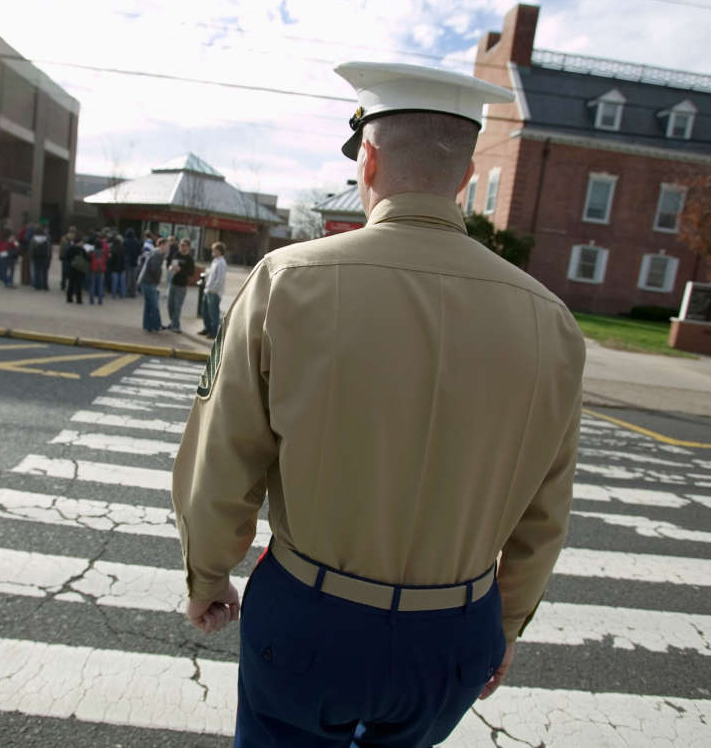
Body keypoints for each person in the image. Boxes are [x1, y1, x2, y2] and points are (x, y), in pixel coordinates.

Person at [170, 61, 585, 747]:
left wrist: (208, 574)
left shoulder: (288, 281)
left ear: (368, 158)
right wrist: (506, 624)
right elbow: (546, 510)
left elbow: (224, 454)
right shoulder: (553, 321)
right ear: (464, 172)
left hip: (312, 614)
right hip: (456, 629)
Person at [136, 236, 167, 331]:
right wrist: (157, 280)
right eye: (166, 246)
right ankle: (156, 325)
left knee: (148, 305)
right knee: (154, 305)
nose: (167, 248)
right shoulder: (158, 254)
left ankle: (148, 325)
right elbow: (154, 269)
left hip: (145, 281)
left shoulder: (154, 252)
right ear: (161, 245)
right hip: (149, 282)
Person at [166, 238, 194, 333]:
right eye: (180, 245)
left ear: (188, 247)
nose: (181, 247)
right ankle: (173, 322)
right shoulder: (176, 254)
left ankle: (176, 326)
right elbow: (170, 264)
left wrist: (180, 270)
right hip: (173, 283)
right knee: (170, 305)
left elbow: (191, 273)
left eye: (183, 245)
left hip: (182, 286)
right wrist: (170, 267)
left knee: (177, 306)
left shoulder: (189, 259)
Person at [199, 241, 226, 339]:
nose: (212, 251)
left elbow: (220, 279)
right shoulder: (215, 261)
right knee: (205, 311)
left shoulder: (222, 263)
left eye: (214, 250)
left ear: (219, 251)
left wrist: (213, 290)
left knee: (213, 313)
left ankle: (214, 332)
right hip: (208, 290)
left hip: (214, 292)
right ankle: (207, 328)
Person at [63, 231, 86, 304]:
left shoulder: (71, 248)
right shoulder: (82, 249)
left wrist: (71, 262)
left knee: (71, 284)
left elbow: (66, 257)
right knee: (79, 285)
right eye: (82, 242)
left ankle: (69, 298)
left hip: (72, 268)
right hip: (79, 269)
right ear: (79, 242)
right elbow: (87, 258)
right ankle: (79, 299)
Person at [30, 225, 52, 291]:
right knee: (45, 271)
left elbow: (31, 248)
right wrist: (49, 256)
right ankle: (45, 285)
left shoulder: (34, 239)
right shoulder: (46, 238)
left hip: (36, 257)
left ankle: (37, 286)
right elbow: (49, 248)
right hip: (44, 257)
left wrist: (31, 256)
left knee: (37, 271)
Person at [87, 234, 108, 304]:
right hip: (101, 270)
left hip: (93, 269)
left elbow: (89, 259)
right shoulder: (103, 252)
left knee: (92, 285)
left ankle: (91, 300)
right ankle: (100, 300)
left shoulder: (92, 252)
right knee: (100, 286)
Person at [123, 228, 142, 297]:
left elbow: (123, 251)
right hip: (134, 261)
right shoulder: (137, 242)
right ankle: (133, 293)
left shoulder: (125, 241)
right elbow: (140, 252)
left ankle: (126, 292)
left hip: (127, 261)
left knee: (127, 278)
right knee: (133, 278)